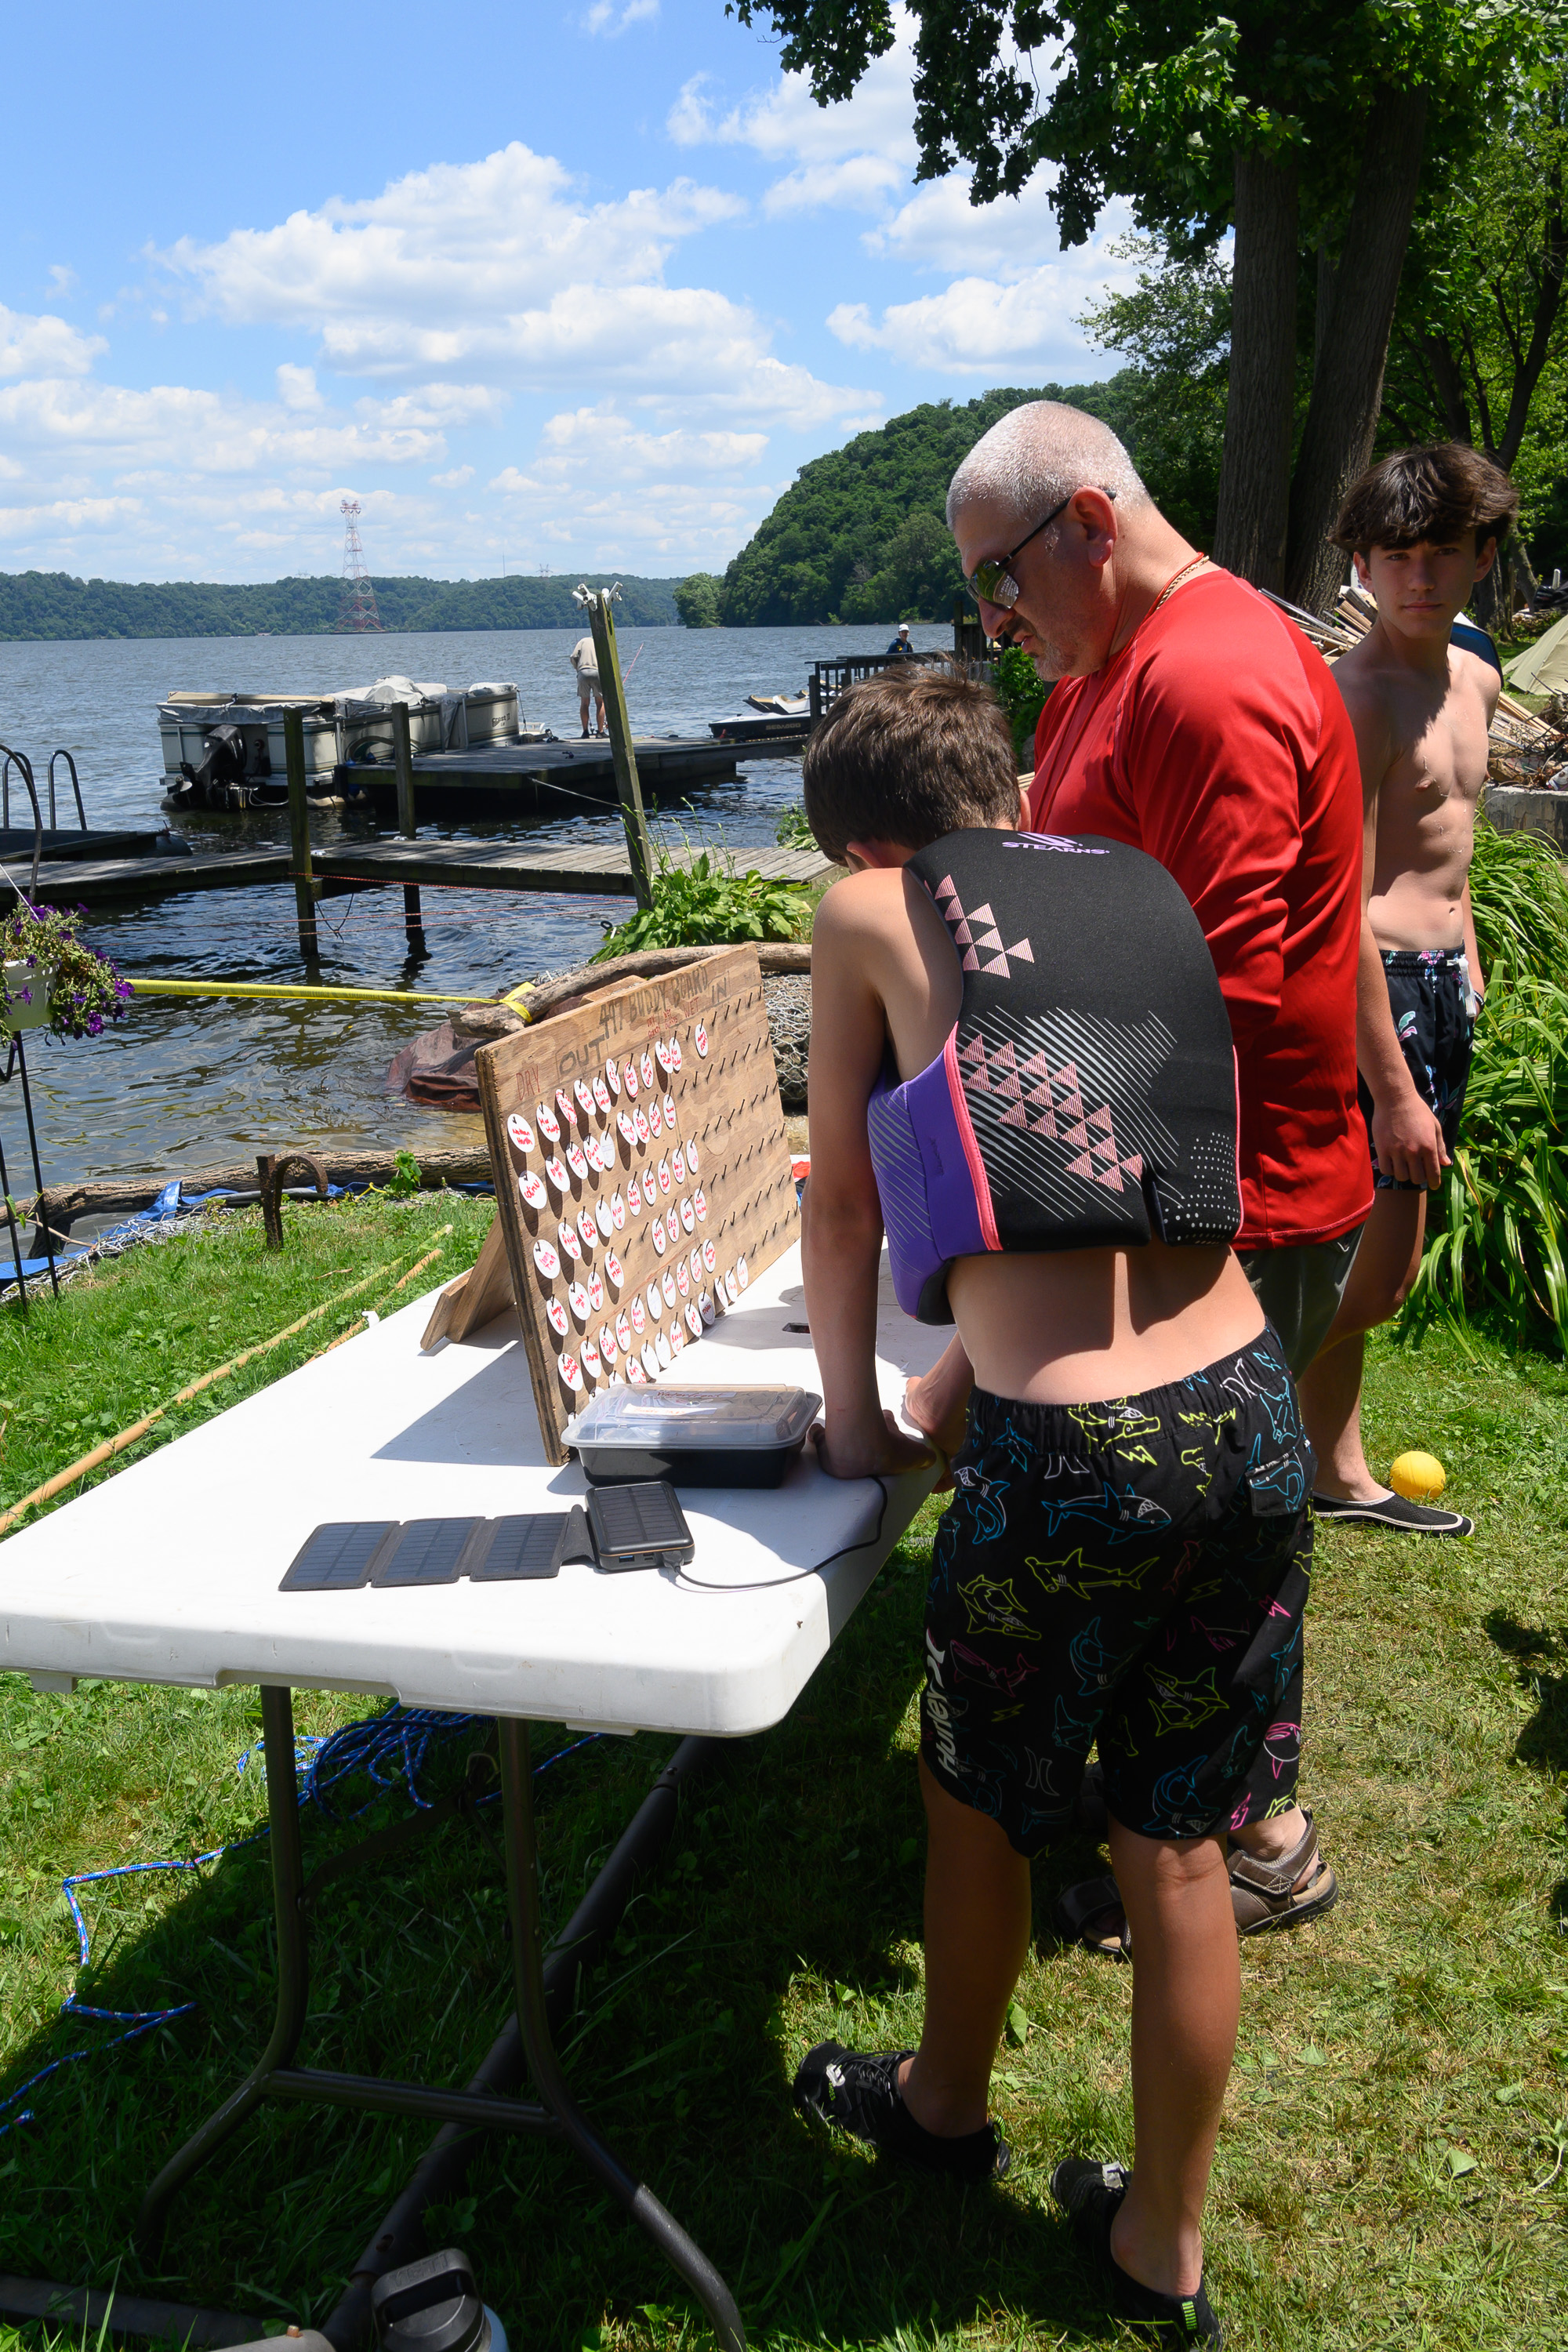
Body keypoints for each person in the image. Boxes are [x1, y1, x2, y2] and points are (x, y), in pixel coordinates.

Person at [796, 662, 1316, 2347]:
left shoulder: (865, 907)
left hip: (1073, 1464)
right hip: (1248, 1412)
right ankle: (1163, 2249)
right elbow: (1094, 1178)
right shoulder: (1131, 886)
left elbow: (847, 1211)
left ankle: (944, 2109)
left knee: (974, 1799)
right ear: (1009, 796)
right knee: (1176, 1841)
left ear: (862, 842)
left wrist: (857, 1422)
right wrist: (961, 1376)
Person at [910, 401, 1363, 1953]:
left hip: (1216, 1197)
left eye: (1000, 577)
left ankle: (1250, 1838)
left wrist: (999, 1128)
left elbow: (1214, 997)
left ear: (1089, 524)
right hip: (1133, 1184)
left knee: (1204, 1565)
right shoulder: (1107, 671)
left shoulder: (1207, 677)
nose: (994, 618)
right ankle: (1194, 1813)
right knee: (1184, 1561)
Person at [1293, 445, 1515, 1534]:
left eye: (1441, 554)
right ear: (1362, 566)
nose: (1418, 578)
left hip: (1439, 990)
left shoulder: (1478, 678)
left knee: (1369, 1271)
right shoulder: (1357, 701)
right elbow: (1338, 904)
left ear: (1482, 558)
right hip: (1372, 996)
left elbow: (1449, 860)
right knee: (1375, 1281)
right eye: (1395, 556)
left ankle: (1332, 1475)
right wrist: (1392, 1090)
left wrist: (1467, 967)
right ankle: (1229, 1422)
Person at [570, 633, 606, 737]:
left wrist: (577, 668)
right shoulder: (602, 642)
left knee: (584, 703)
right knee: (600, 703)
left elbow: (573, 656)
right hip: (597, 672)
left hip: (583, 672)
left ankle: (585, 732)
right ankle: (600, 732)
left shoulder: (583, 641)